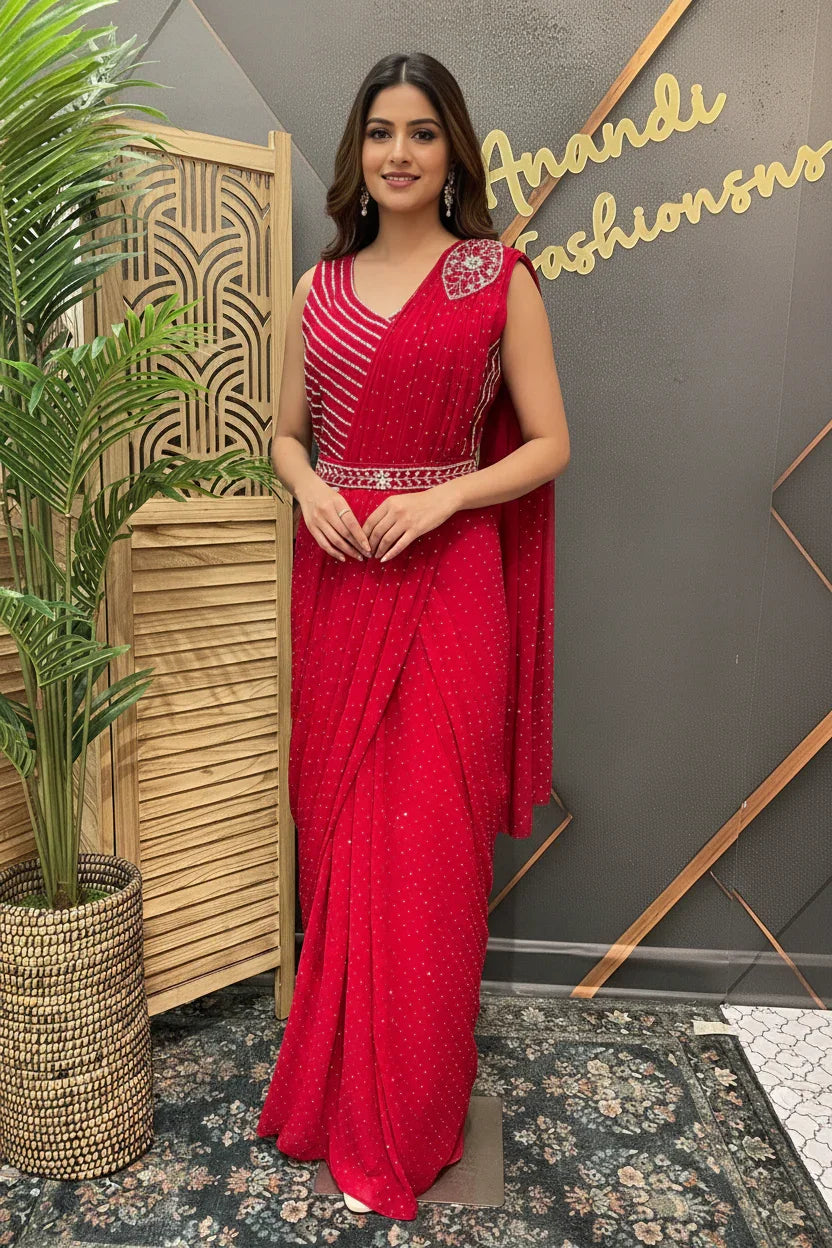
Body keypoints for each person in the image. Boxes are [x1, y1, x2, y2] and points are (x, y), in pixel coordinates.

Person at [256, 51, 570, 1221]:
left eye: (423, 132)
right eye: (381, 131)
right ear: (357, 152)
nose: (399, 151)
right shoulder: (317, 287)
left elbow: (547, 443)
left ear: (453, 153)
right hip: (345, 583)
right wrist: (310, 487)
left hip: (448, 591)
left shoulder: (495, 277)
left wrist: (444, 494)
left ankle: (419, 1108)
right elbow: (288, 434)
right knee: (343, 841)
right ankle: (340, 1090)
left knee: (431, 854)